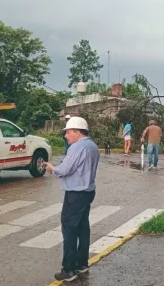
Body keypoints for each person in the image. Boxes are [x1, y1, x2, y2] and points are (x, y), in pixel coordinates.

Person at [44, 116, 100, 282]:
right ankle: (81, 264)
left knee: (69, 229)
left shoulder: (77, 147)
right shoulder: (93, 146)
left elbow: (65, 169)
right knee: (83, 228)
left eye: (67, 132)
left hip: (76, 193)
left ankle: (68, 269)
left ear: (76, 132)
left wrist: (52, 168)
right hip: (87, 191)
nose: (66, 136)